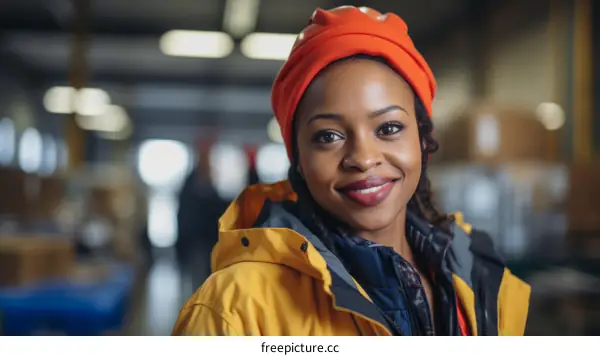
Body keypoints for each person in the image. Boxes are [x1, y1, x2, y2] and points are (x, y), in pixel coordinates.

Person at [172, 6, 531, 336]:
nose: (362, 157)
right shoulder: (233, 311)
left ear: (422, 138)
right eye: (328, 136)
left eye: (388, 128)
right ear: (298, 158)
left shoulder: (480, 277)